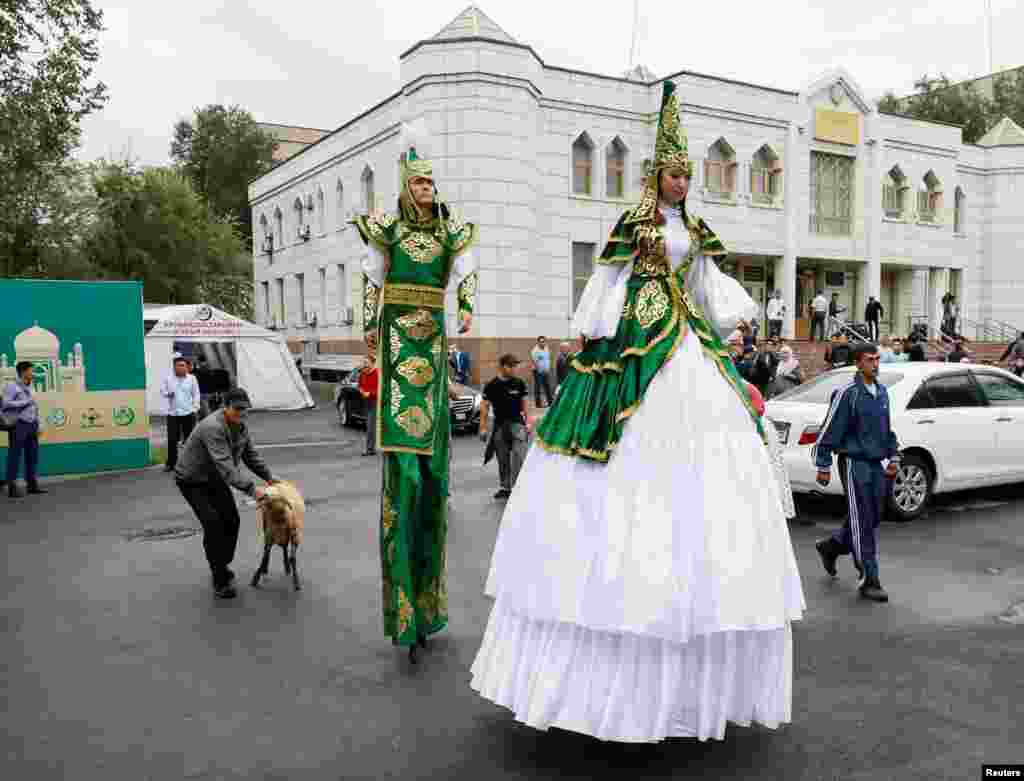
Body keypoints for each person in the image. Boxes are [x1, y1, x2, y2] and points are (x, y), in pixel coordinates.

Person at [469, 82, 804, 743]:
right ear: (659, 174)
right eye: (674, 172)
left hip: (687, 339)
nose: (682, 182)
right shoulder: (637, 224)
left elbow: (706, 284)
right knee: (619, 468)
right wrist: (593, 326)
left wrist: (734, 319)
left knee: (711, 455)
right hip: (636, 339)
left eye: (688, 174)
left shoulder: (695, 231)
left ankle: (691, 643)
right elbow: (612, 280)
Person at [352, 120, 478, 663]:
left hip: (431, 346)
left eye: (431, 184)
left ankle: (428, 606)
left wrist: (467, 305)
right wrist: (367, 327)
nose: (426, 191)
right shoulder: (390, 232)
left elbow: (468, 268)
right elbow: (370, 278)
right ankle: (404, 611)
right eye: (418, 183)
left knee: (432, 483)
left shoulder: (450, 232)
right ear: (406, 187)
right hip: (398, 347)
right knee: (402, 478)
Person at [812, 344, 901, 603]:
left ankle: (832, 546)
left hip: (876, 464)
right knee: (862, 521)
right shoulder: (847, 394)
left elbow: (886, 432)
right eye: (869, 360)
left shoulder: (882, 393)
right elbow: (829, 429)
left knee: (872, 517)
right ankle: (869, 579)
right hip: (854, 463)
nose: (876, 364)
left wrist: (894, 454)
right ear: (858, 363)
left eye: (877, 359)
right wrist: (823, 464)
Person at [174, 389, 275, 599]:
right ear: (225, 406)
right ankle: (219, 576)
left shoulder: (241, 427)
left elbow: (250, 455)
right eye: (238, 409)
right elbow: (225, 465)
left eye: (245, 409)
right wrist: (252, 490)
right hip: (192, 480)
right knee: (213, 524)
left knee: (232, 521)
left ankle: (221, 563)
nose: (242, 413)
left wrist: (270, 478)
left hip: (215, 479)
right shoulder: (213, 427)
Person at [479, 354, 530, 500]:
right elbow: (484, 407)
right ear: (501, 366)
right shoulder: (491, 385)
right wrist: (482, 428)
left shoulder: (519, 383)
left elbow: (525, 403)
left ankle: (519, 486)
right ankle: (505, 487)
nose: (514, 368)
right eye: (511, 366)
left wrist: (529, 421)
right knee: (503, 458)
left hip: (517, 424)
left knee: (520, 456)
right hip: (500, 426)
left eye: (515, 365)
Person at [3, 361, 47, 499]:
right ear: (23, 372)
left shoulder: (31, 387)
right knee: (14, 455)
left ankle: (32, 485)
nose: (33, 373)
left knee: (32, 455)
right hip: (18, 424)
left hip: (32, 423)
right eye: (31, 370)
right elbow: (5, 403)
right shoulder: (12, 386)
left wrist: (38, 423)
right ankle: (12, 487)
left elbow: (35, 406)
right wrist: (25, 402)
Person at [161, 354, 201, 472]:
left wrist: (195, 408)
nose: (182, 367)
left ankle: (190, 462)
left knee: (190, 439)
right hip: (173, 414)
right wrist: (168, 394)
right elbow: (163, 391)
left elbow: (196, 394)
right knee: (172, 439)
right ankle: (171, 463)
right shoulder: (168, 378)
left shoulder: (192, 378)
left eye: (184, 365)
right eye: (179, 365)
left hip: (188, 413)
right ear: (174, 367)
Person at [358, 352, 380, 456]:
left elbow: (380, 389)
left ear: (372, 363)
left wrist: (370, 393)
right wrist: (362, 391)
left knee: (371, 427)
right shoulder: (362, 373)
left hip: (375, 402)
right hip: (366, 402)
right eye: (363, 362)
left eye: (366, 362)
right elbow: (360, 385)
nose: (364, 364)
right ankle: (371, 448)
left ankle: (370, 449)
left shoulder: (377, 373)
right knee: (370, 426)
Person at [529, 336, 554, 408]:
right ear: (538, 342)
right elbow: (535, 362)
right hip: (538, 371)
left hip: (546, 371)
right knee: (538, 387)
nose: (542, 343)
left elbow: (547, 359)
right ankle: (538, 404)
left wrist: (548, 369)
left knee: (547, 387)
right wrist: (540, 370)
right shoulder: (535, 350)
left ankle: (550, 402)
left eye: (543, 341)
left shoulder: (546, 348)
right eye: (541, 341)